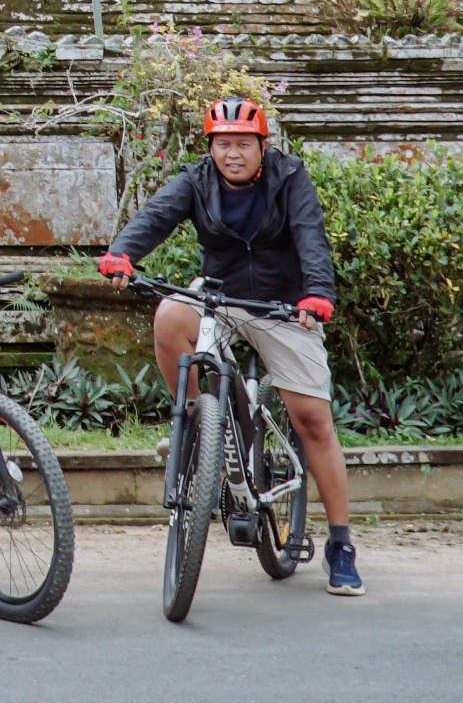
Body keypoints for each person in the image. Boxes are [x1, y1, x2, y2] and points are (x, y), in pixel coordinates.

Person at [99, 94, 362, 595]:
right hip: (219, 299)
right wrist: (121, 255)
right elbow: (155, 216)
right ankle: (204, 425)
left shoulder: (289, 178)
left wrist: (317, 296)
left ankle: (341, 545)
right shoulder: (197, 180)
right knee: (168, 316)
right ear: (211, 147)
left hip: (283, 305)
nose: (232, 154)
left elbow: (311, 238)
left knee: (312, 420)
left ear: (263, 146)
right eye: (223, 144)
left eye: (243, 143)